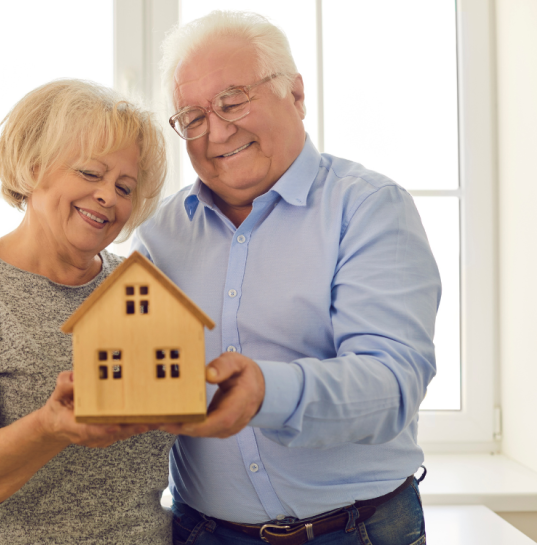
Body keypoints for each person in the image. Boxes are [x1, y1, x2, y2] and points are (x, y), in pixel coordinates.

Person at [133, 11, 440, 545]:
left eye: (232, 101)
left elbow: (392, 385)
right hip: (202, 531)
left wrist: (265, 393)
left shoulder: (368, 208)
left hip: (357, 531)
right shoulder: (158, 235)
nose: (218, 131)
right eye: (193, 116)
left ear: (295, 95)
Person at [0, 79, 175, 544]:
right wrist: (48, 427)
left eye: (125, 187)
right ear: (32, 166)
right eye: (90, 173)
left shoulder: (139, 289)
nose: (109, 196)